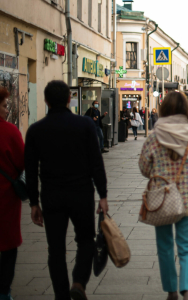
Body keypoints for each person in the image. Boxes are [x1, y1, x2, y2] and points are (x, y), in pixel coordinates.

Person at [24, 80, 108, 300]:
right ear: (69, 99)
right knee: (86, 240)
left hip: (52, 197)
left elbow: (30, 171)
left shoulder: (35, 130)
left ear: (46, 101)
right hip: (81, 193)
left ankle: (61, 295)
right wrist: (103, 195)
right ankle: (79, 282)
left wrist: (34, 202)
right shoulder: (86, 125)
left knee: (56, 249)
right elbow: (96, 163)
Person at [139, 92, 188, 300]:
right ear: (186, 110)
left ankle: (171, 291)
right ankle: (187, 290)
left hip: (161, 200)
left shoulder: (154, 136)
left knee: (165, 246)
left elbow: (144, 168)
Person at [0, 88, 24, 300]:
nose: (7, 110)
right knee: (7, 248)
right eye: (5, 105)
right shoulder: (9, 131)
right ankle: (4, 292)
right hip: (4, 200)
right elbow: (22, 162)